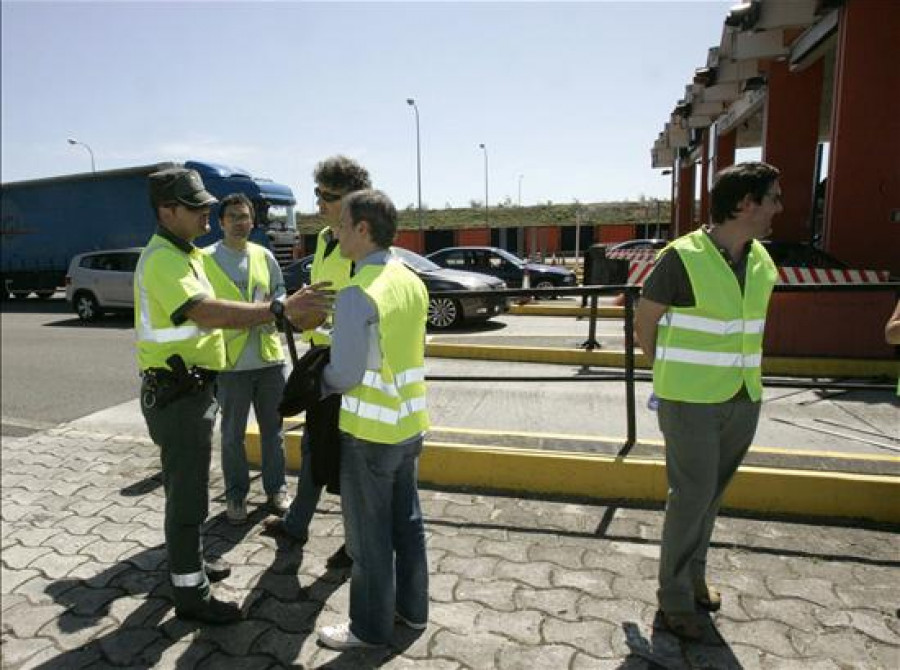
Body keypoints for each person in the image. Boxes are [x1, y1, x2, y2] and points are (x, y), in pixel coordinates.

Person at [136, 167, 330, 625]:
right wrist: (278, 308)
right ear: (168, 211)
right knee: (187, 500)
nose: (207, 212)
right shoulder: (164, 259)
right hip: (176, 395)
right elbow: (205, 310)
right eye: (197, 206)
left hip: (193, 389)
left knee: (191, 493)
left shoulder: (186, 255)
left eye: (209, 205)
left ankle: (191, 565)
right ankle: (191, 596)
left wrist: (284, 303)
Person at [634, 162, 783, 641]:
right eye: (773, 197)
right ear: (744, 204)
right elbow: (645, 321)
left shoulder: (761, 261)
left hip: (743, 395)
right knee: (691, 497)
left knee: (711, 497)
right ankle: (674, 597)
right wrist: (667, 372)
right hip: (690, 400)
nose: (779, 207)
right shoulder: (682, 257)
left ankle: (694, 578)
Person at [316, 190, 430, 650]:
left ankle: (368, 627)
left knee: (368, 537)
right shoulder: (411, 280)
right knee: (408, 523)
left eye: (341, 224)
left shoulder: (356, 292)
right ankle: (413, 612)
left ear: (363, 230)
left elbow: (344, 374)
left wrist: (316, 380)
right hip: (408, 425)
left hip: (369, 434)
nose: (335, 232)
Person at [263, 155, 371, 570]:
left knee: (346, 458)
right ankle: (297, 523)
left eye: (331, 196)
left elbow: (354, 305)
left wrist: (309, 313)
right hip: (320, 355)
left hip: (346, 361)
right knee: (314, 447)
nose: (320, 202)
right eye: (318, 193)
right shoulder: (327, 238)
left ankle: (357, 543)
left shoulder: (362, 240)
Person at [203, 193, 290, 524]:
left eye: (245, 217)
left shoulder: (264, 256)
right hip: (230, 364)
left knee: (274, 433)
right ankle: (236, 495)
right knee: (231, 437)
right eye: (234, 217)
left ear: (253, 221)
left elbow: (280, 291)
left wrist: (277, 303)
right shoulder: (206, 259)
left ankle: (276, 489)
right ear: (221, 222)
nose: (241, 222)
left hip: (269, 361)